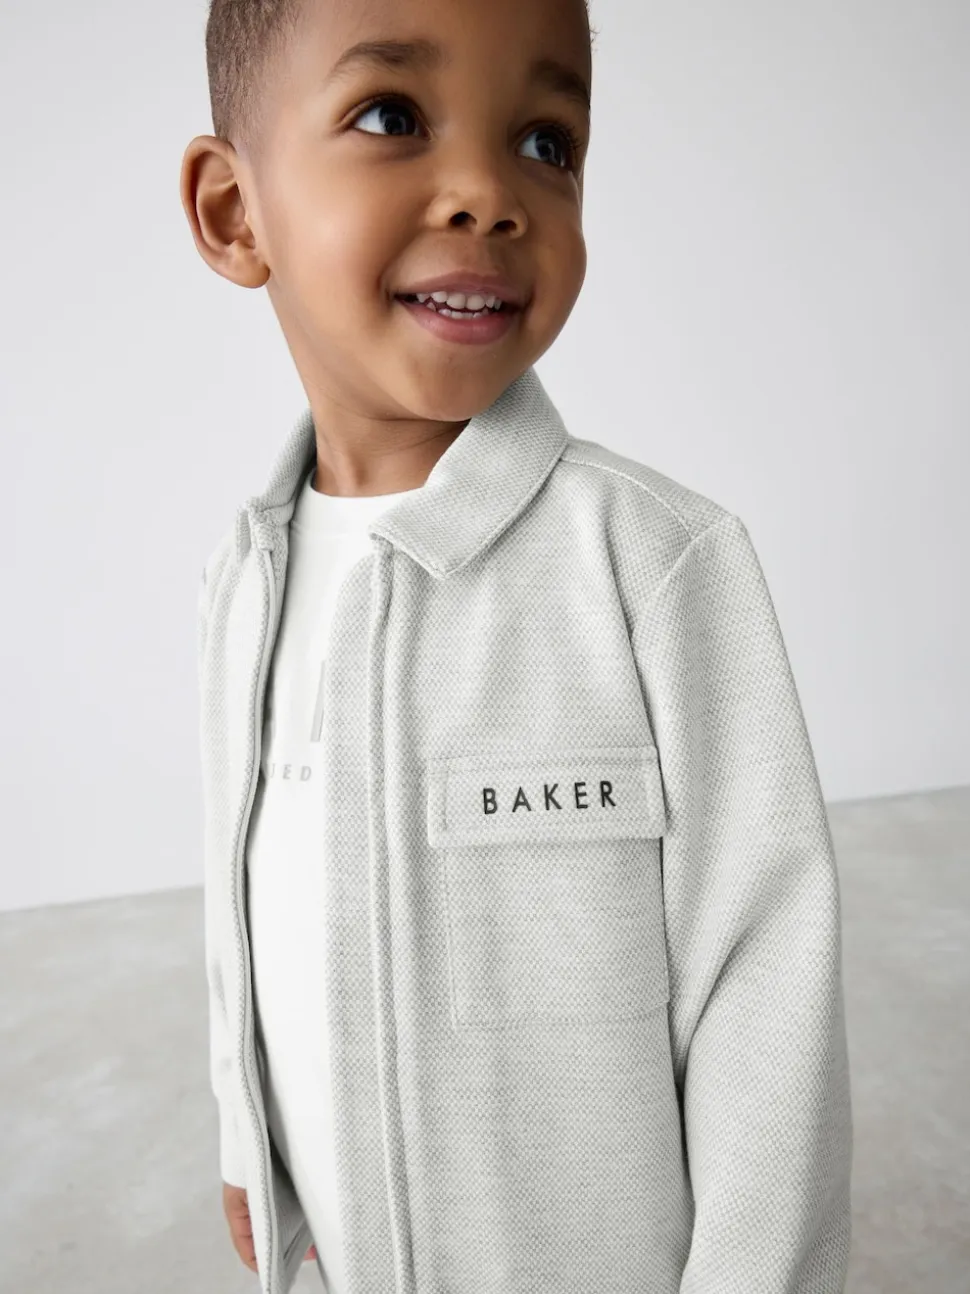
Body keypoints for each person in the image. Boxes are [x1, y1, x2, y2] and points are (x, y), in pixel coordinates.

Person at [182, 0, 853, 1291]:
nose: (488, 195)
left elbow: (767, 986)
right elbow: (238, 903)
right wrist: (243, 1136)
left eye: (546, 142)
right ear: (233, 212)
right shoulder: (242, 583)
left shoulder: (656, 565)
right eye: (392, 116)